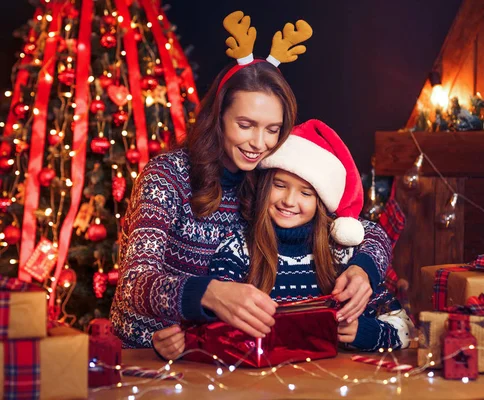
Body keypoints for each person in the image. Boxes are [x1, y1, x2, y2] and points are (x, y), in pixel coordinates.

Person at [110, 12, 393, 359]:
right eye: (246, 124)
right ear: (219, 117)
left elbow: (368, 231)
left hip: (223, 351)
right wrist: (209, 293)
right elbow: (134, 282)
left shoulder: (267, 177)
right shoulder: (167, 176)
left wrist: (363, 270)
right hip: (150, 350)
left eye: (273, 129)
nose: (259, 142)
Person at [208, 119, 412, 351]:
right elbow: (213, 327)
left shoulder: (342, 255)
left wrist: (361, 332)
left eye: (306, 193)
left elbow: (405, 329)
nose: (289, 201)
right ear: (265, 186)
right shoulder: (237, 250)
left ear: (321, 202)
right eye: (280, 185)